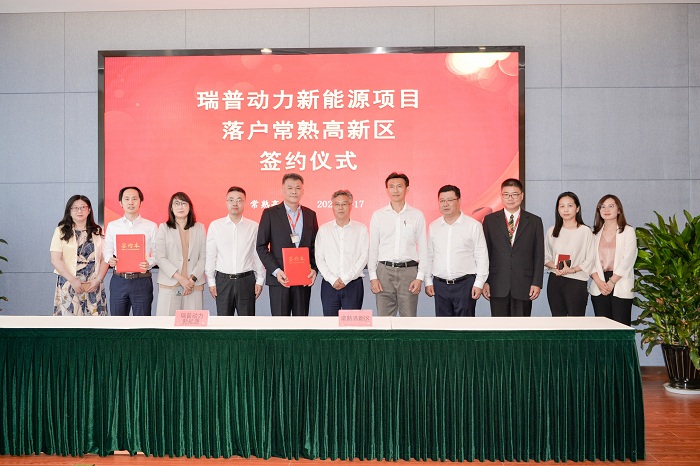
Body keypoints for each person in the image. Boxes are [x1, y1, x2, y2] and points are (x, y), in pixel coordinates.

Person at [256, 173, 319, 316]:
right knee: (280, 325)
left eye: (298, 188)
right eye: (290, 188)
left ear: (302, 191)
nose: (294, 191)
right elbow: (261, 246)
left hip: (303, 279)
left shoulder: (310, 215)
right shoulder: (270, 213)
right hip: (280, 279)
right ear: (283, 190)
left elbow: (315, 246)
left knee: (301, 323)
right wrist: (276, 271)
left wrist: (314, 269)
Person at [368, 172, 427, 317]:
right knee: (384, 320)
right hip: (384, 272)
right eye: (391, 186)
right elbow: (373, 248)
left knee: (409, 319)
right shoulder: (378, 215)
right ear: (387, 190)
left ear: (407, 189)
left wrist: (420, 277)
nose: (395, 190)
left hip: (409, 272)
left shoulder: (417, 215)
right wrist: (373, 276)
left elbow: (423, 248)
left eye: (399, 186)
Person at [482, 179, 544, 316]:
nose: (510, 198)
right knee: (499, 326)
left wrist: (537, 283)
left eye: (514, 194)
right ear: (501, 196)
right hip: (497, 284)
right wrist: (485, 281)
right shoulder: (490, 220)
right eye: (506, 194)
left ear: (522, 196)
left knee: (521, 326)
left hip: (524, 284)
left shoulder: (534, 221)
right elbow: (485, 253)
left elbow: (539, 255)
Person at [425, 185, 489, 317]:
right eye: (442, 201)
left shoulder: (473, 226)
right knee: (443, 327)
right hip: (440, 285)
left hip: (465, 285)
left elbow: (481, 256)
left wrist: (479, 283)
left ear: (459, 201)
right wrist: (428, 281)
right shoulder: (434, 227)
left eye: (450, 200)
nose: (445, 204)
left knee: (465, 326)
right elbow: (429, 255)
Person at [206, 187, 265, 316]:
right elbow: (211, 255)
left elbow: (257, 255)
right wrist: (211, 281)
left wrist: (260, 279)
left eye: (239, 200)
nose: (235, 203)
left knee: (246, 322)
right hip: (223, 281)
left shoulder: (253, 226)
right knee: (224, 323)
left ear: (245, 203)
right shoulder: (216, 226)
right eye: (231, 200)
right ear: (226, 202)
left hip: (246, 281)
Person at [50, 195, 109, 316]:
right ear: (69, 211)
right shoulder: (61, 231)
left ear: (89, 210)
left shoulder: (98, 231)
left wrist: (98, 280)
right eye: (75, 208)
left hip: (93, 283)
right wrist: (73, 280)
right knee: (70, 321)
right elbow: (55, 260)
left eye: (83, 207)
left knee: (95, 321)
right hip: (69, 281)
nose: (79, 211)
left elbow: (105, 258)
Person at [103, 186, 158, 316]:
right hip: (119, 280)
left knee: (142, 322)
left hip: (142, 281)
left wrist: (149, 263)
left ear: (140, 202)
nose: (131, 202)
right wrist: (110, 259)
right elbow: (107, 249)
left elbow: (158, 253)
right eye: (126, 199)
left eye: (134, 199)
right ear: (121, 203)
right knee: (118, 322)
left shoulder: (151, 226)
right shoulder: (113, 226)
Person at [315, 189, 369, 316]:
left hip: (353, 285)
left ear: (351, 205)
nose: (340, 208)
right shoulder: (324, 230)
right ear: (332, 207)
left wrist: (346, 278)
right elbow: (319, 258)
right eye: (337, 204)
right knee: (330, 323)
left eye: (344, 204)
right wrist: (332, 279)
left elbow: (364, 256)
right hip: (330, 285)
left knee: (352, 324)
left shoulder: (361, 229)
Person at [588, 195, 637, 326]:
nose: (606, 210)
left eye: (611, 206)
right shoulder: (593, 233)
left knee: (621, 328)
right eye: (602, 207)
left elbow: (628, 259)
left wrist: (612, 282)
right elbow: (589, 260)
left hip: (620, 281)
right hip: (599, 283)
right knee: (603, 330)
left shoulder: (628, 231)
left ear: (619, 210)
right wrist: (598, 281)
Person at [154, 192, 206, 316]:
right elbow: (160, 257)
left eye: (183, 203)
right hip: (170, 284)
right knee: (166, 324)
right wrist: (181, 278)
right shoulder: (164, 228)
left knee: (192, 325)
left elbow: (203, 257)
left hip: (193, 285)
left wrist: (192, 279)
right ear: (171, 208)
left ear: (189, 207)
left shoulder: (199, 228)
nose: (180, 207)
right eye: (176, 204)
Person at [544, 191, 595, 316]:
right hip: (555, 280)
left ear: (577, 208)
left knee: (576, 321)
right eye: (562, 206)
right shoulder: (552, 231)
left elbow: (590, 258)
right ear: (558, 209)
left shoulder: (585, 231)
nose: (566, 209)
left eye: (570, 205)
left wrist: (572, 270)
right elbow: (544, 257)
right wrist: (556, 266)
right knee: (557, 320)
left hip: (576, 281)